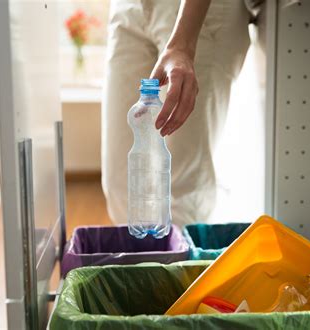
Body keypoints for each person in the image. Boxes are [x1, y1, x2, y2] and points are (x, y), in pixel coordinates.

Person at [102, 0, 253, 226]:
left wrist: (182, 44)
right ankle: (142, 258)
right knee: (122, 184)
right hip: (128, 8)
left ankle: (182, 259)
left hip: (199, 13)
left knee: (180, 188)